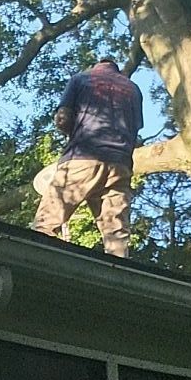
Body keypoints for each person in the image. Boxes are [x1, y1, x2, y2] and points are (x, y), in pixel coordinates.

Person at [34, 58, 143, 256]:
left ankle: (33, 265)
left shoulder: (81, 79)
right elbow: (135, 130)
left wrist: (70, 133)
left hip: (83, 156)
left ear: (96, 67)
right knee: (116, 234)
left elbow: (63, 118)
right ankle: (119, 277)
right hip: (120, 165)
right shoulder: (133, 89)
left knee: (47, 222)